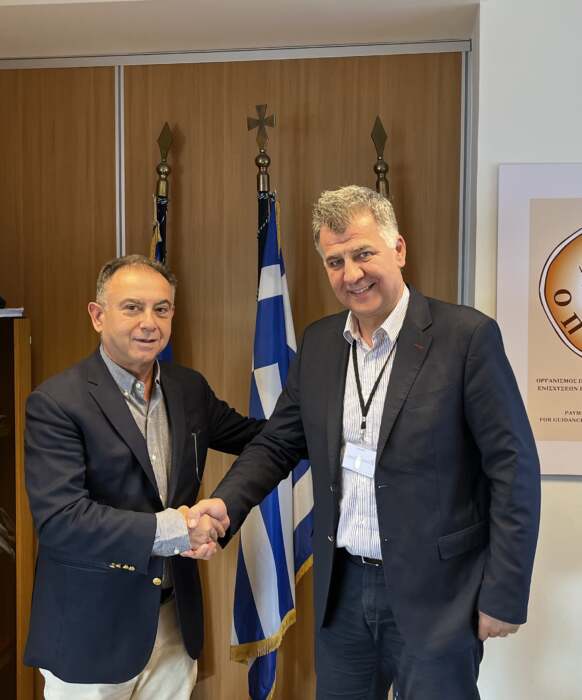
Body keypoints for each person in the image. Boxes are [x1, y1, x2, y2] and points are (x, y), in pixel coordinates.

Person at [202, 186, 541, 699]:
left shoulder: (466, 338)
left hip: (440, 596)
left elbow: (513, 469)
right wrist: (224, 504)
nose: (351, 274)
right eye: (335, 261)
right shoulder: (319, 344)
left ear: (398, 249)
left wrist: (505, 592)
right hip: (343, 593)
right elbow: (276, 444)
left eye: (363, 254)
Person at [24, 254, 263, 699]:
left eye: (162, 309)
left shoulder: (189, 388)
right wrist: (180, 528)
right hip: (91, 633)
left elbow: (260, 440)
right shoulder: (57, 402)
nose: (149, 323)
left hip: (173, 623)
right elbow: (61, 520)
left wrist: (322, 409)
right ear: (97, 316)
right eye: (132, 307)